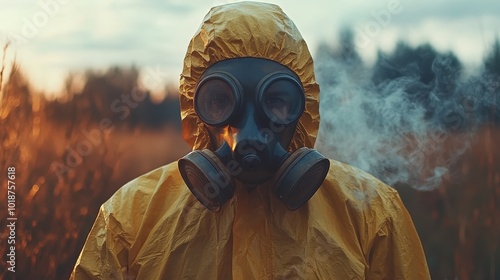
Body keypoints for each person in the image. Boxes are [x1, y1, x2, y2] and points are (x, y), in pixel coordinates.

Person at [71, 2, 430, 279]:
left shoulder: (372, 216)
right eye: (222, 102)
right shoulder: (129, 220)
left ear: (302, 108)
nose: (248, 131)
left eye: (274, 101)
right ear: (196, 109)